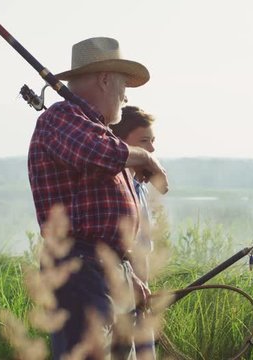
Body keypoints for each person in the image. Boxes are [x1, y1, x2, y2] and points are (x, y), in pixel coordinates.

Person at [27, 37, 168, 360]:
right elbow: (96, 154)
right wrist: (144, 159)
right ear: (105, 79)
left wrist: (126, 273)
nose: (125, 95)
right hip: (79, 267)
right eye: (122, 85)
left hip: (104, 268)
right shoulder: (60, 119)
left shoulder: (95, 129)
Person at [110, 106, 158, 359]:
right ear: (121, 145)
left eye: (152, 141)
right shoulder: (111, 189)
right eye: (143, 141)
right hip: (119, 298)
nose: (151, 150)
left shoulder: (139, 186)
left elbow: (142, 250)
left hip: (140, 298)